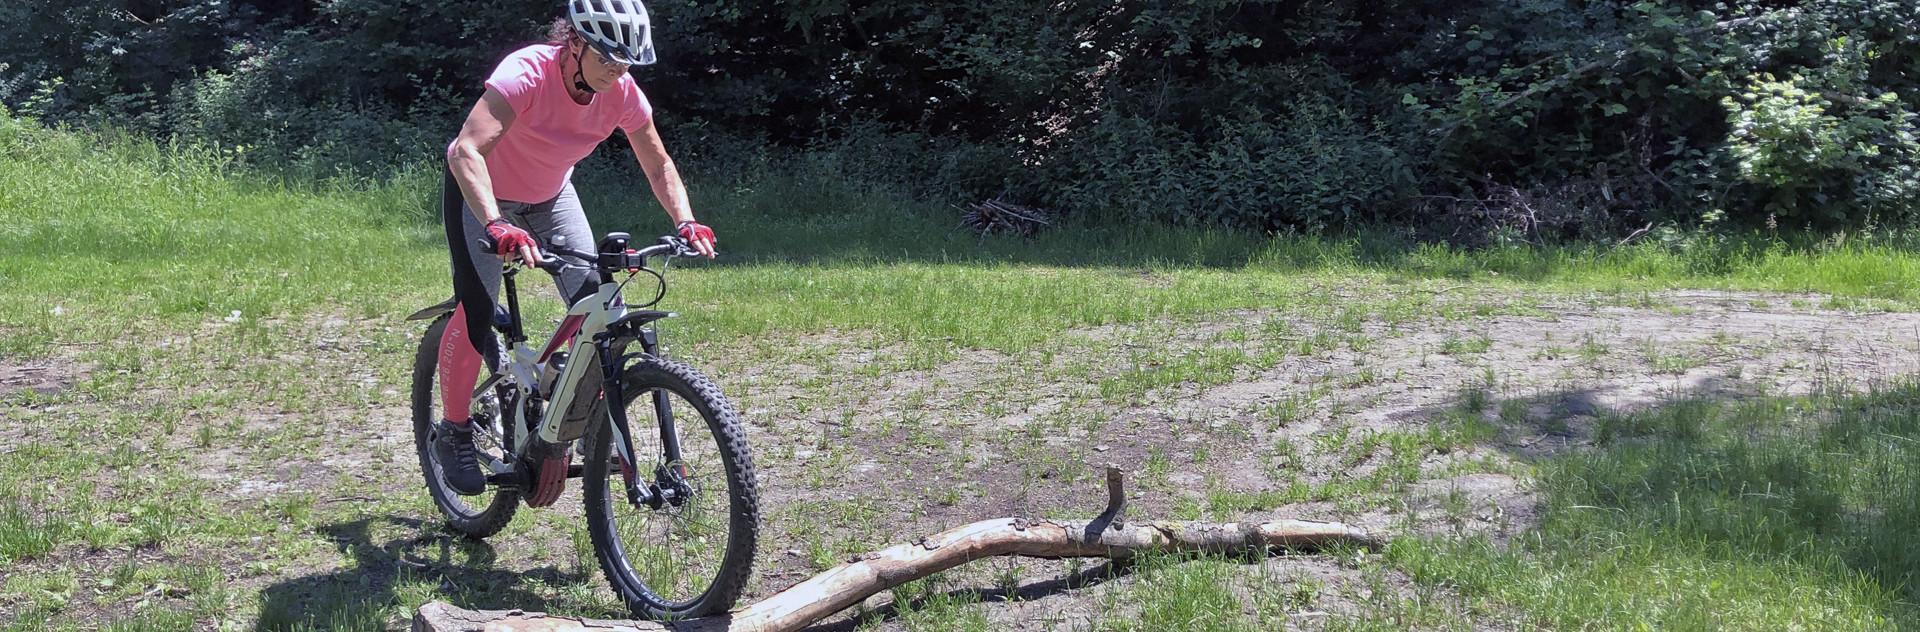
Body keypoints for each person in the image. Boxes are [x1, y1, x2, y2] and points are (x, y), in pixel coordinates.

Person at [433, 0, 715, 495]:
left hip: (550, 197)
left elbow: (658, 165)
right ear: (575, 43)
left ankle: (584, 419)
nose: (616, 72)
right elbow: (466, 150)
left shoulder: (622, 92)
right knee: (476, 308)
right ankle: (454, 431)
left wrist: (686, 220)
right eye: (607, 59)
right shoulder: (526, 74)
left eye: (626, 63)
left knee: (598, 308)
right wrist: (496, 224)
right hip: (482, 195)